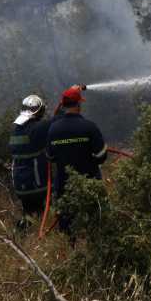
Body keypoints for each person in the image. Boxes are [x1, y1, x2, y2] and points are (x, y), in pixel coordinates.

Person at [46, 85, 107, 231]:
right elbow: (101, 156)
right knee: (95, 224)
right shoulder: (89, 127)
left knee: (67, 228)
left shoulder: (53, 129)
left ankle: (70, 248)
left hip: (64, 187)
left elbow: (50, 157)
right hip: (89, 184)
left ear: (64, 105)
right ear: (79, 105)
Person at [9, 95, 52, 228]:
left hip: (20, 184)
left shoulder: (16, 130)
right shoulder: (38, 128)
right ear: (39, 111)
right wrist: (65, 102)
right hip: (37, 183)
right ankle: (35, 234)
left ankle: (21, 234)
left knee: (30, 213)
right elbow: (58, 120)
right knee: (44, 211)